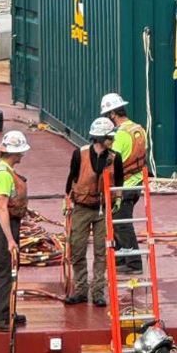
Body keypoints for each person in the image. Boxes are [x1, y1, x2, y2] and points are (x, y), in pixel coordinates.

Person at [64, 117, 124, 307]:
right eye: (109, 137)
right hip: (81, 208)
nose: (112, 140)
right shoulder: (79, 154)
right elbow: (71, 179)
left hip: (102, 210)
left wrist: (118, 198)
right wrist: (67, 201)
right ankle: (80, 290)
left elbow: (119, 182)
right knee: (78, 250)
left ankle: (98, 292)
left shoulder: (115, 157)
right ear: (99, 138)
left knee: (102, 252)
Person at [0, 131, 30, 332]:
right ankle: (1, 318)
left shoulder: (6, 170)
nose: (23, 155)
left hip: (9, 224)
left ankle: (8, 310)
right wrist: (10, 239)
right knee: (4, 270)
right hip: (2, 227)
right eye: (21, 152)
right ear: (14, 153)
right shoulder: (3, 175)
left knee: (11, 267)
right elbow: (2, 208)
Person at [100, 93, 146, 275]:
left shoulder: (119, 136)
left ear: (112, 114)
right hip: (136, 183)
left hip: (123, 186)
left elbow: (111, 161)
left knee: (121, 223)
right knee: (115, 220)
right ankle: (120, 258)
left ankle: (134, 263)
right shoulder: (138, 129)